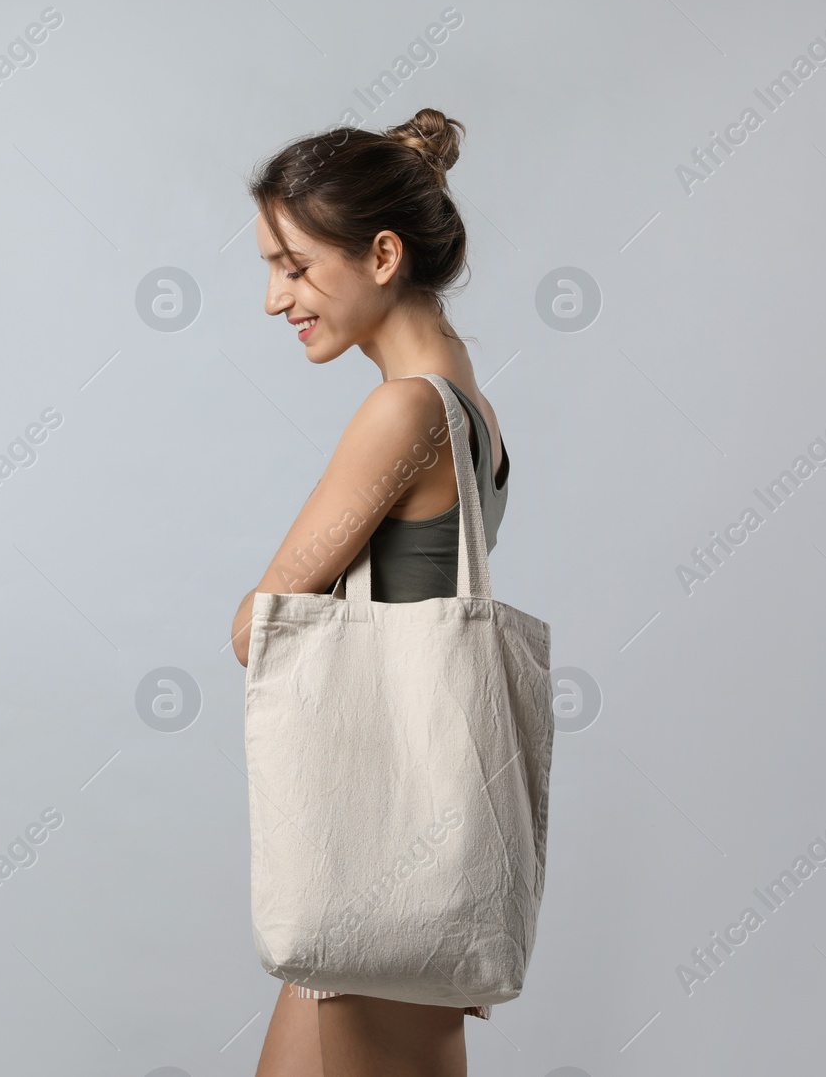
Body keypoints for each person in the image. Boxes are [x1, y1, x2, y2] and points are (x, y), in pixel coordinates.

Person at [229, 108, 511, 1077]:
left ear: (382, 254)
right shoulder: (469, 400)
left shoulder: (402, 410)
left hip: (382, 845)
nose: (275, 299)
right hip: (387, 845)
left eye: (294, 266)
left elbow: (254, 627)